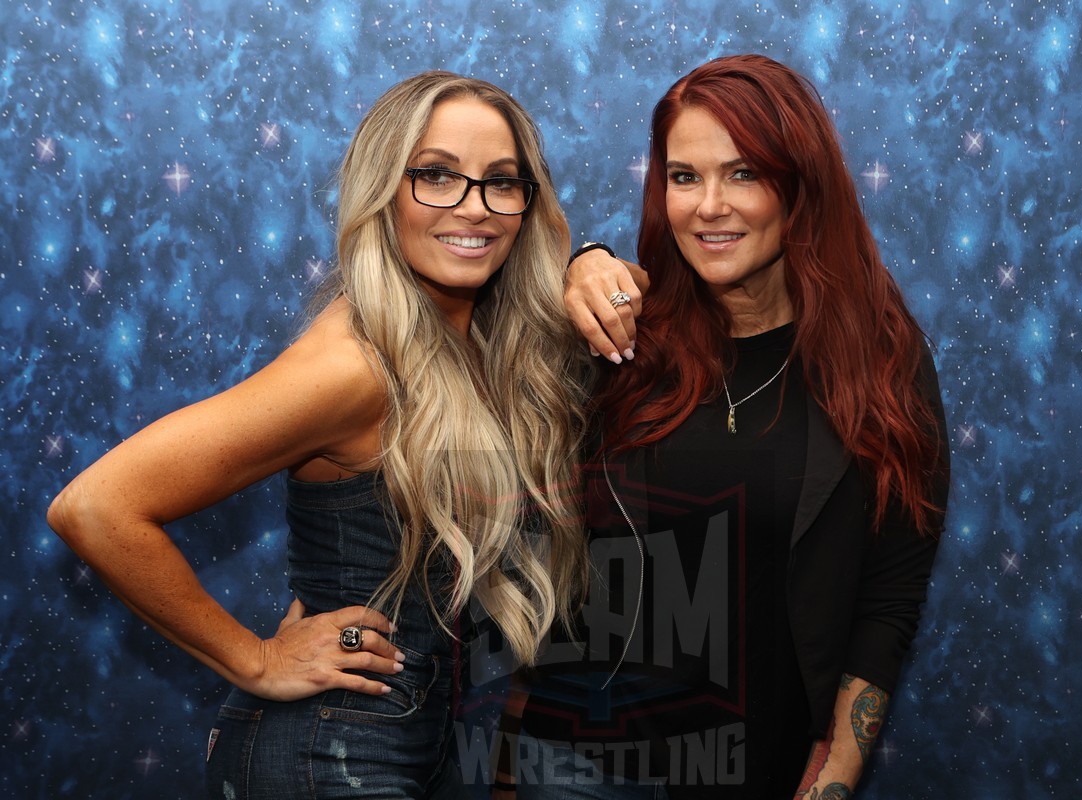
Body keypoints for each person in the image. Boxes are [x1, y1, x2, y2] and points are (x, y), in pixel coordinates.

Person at [46, 71, 589, 799]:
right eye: (436, 175)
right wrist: (257, 660)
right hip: (330, 754)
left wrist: (592, 260)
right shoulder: (354, 367)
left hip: (419, 750)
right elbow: (96, 506)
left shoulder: (472, 339)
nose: (475, 207)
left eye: (502, 181)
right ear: (383, 190)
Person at [499, 54, 951, 799]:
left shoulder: (881, 366)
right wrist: (581, 261)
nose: (710, 205)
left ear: (799, 185)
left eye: (743, 173)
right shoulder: (622, 341)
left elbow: (889, 599)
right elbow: (472, 326)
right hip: (578, 766)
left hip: (753, 775)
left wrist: (831, 785)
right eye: (684, 177)